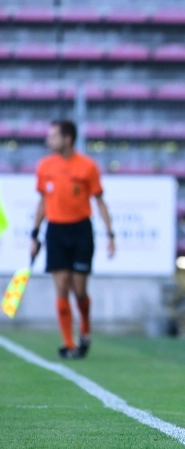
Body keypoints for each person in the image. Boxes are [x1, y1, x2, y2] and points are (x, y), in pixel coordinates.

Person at [30, 120, 115, 359]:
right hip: (55, 230)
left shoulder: (87, 166)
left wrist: (110, 235)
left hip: (81, 230)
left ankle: (85, 329)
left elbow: (99, 201)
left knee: (79, 290)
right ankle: (69, 344)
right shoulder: (45, 166)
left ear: (67, 139)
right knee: (61, 287)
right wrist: (34, 235)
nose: (49, 140)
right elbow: (43, 202)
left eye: (53, 136)